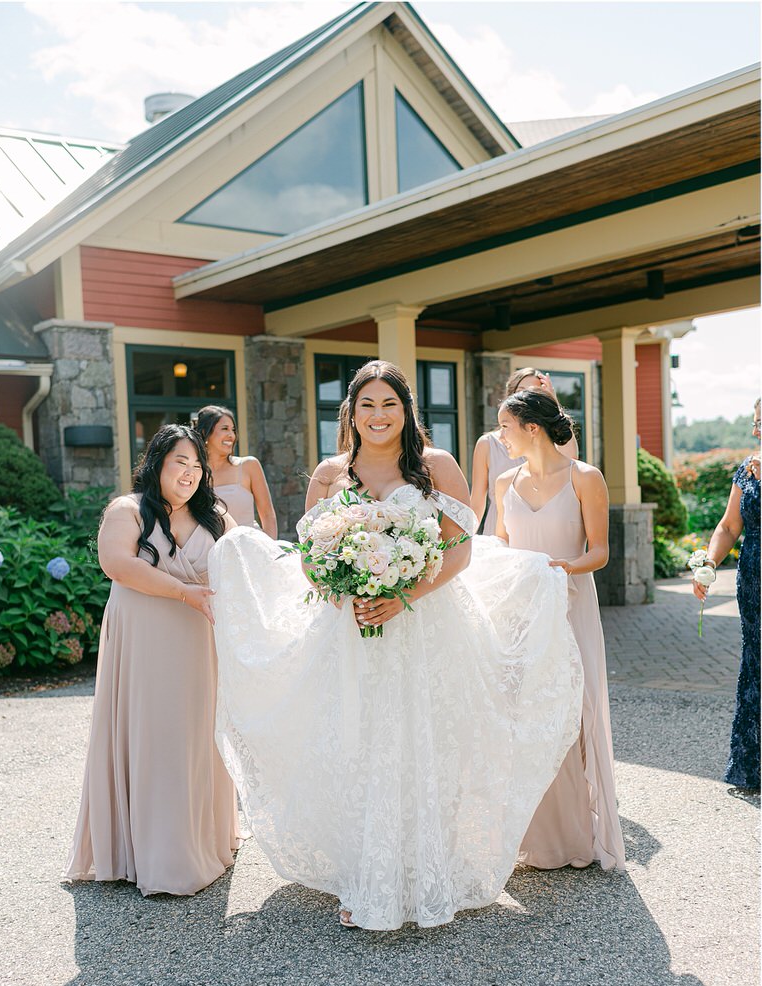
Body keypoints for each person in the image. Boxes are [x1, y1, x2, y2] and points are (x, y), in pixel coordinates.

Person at [209, 360, 584, 931]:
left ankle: (424, 866)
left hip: (427, 623)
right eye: (367, 405)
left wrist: (405, 593)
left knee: (426, 739)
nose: (378, 415)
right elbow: (310, 553)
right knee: (358, 741)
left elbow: (461, 548)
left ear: (406, 410)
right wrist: (341, 589)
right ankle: (367, 871)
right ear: (351, 414)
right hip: (350, 628)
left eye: (389, 404)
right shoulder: (330, 473)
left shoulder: (436, 466)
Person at [64, 425, 242, 897]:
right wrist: (183, 592)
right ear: (157, 464)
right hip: (144, 638)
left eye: (196, 465)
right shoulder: (128, 510)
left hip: (197, 641)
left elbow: (247, 563)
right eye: (179, 463)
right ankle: (154, 855)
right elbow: (118, 565)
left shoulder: (216, 515)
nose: (189, 473)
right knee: (153, 732)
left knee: (194, 734)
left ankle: (202, 838)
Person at [493, 388, 625, 871]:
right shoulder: (504, 483)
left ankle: (577, 831)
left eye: (504, 426)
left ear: (532, 428)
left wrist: (560, 570)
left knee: (574, 711)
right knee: (526, 713)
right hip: (520, 613)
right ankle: (533, 835)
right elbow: (500, 546)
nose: (498, 435)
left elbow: (599, 552)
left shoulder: (585, 477)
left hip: (570, 606)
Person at [693, 401, 760, 792]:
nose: (756, 432)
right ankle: (753, 766)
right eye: (755, 424)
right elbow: (729, 525)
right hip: (754, 581)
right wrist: (708, 563)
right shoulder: (746, 468)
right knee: (756, 661)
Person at [471, 367, 579, 533]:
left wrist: (553, 403)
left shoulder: (548, 444)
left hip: (538, 531)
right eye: (521, 391)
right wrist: (467, 543)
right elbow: (477, 503)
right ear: (510, 395)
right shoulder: (487, 444)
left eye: (534, 392)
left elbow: (571, 457)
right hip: (498, 532)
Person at [193, 405, 277, 537]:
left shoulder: (249, 465)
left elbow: (267, 515)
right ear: (204, 433)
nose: (231, 435)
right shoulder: (194, 472)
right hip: (212, 551)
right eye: (224, 429)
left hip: (252, 547)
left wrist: (270, 549)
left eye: (233, 430)